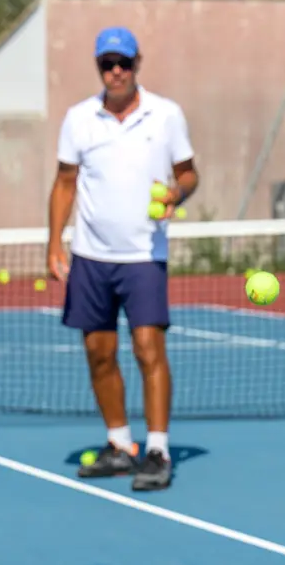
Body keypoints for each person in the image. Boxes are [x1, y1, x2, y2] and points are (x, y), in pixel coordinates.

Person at [47, 26, 198, 493]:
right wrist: (55, 243)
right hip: (91, 258)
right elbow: (65, 183)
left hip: (144, 256)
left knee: (148, 349)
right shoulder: (79, 118)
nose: (116, 72)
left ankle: (157, 450)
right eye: (107, 64)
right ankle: (119, 444)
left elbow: (189, 174)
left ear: (137, 64)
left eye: (123, 63)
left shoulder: (166, 115)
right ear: (99, 67)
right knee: (98, 353)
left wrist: (178, 192)